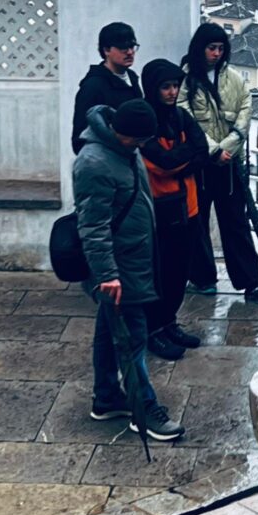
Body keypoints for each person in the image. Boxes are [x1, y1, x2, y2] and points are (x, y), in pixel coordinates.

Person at [74, 99, 184, 442]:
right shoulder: (93, 163)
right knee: (133, 337)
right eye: (138, 140)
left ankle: (106, 398)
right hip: (118, 266)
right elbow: (93, 226)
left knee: (110, 330)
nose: (141, 146)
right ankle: (143, 409)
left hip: (135, 259)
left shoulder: (125, 149)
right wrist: (107, 275)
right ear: (122, 133)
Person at [179, 23, 258, 307]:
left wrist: (228, 148)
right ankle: (202, 277)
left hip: (229, 165)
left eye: (221, 49)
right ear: (200, 48)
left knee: (235, 224)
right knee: (196, 222)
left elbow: (246, 111)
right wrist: (213, 151)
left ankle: (251, 283)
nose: (216, 54)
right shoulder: (186, 80)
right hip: (200, 164)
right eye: (212, 48)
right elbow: (186, 119)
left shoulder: (233, 79)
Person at [140, 59, 210, 361]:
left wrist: (183, 159)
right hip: (162, 209)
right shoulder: (145, 121)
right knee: (159, 273)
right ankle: (153, 329)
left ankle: (169, 322)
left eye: (175, 86)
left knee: (179, 272)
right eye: (166, 87)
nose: (172, 92)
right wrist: (187, 158)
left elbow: (202, 150)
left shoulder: (180, 116)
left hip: (188, 206)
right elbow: (163, 164)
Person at [72, 22, 142, 154]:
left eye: (132, 46)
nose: (130, 52)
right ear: (106, 50)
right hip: (107, 160)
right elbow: (80, 137)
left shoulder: (132, 78)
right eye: (123, 48)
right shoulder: (93, 86)